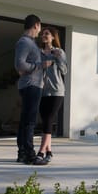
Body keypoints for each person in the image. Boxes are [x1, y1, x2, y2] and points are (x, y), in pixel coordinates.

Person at [14, 14, 49, 165]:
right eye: (40, 27)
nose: (40, 31)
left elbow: (23, 66)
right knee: (29, 122)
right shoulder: (25, 42)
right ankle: (29, 155)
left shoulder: (30, 43)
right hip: (31, 85)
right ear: (36, 25)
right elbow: (20, 65)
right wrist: (40, 66)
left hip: (31, 84)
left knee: (25, 121)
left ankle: (22, 154)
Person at [36, 26, 67, 163]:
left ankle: (41, 152)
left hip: (56, 91)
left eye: (47, 33)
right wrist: (42, 64)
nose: (44, 35)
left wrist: (57, 58)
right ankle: (49, 151)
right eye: (43, 33)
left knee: (49, 119)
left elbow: (64, 70)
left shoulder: (59, 51)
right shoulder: (39, 52)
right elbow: (35, 68)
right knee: (45, 121)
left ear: (53, 37)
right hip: (42, 91)